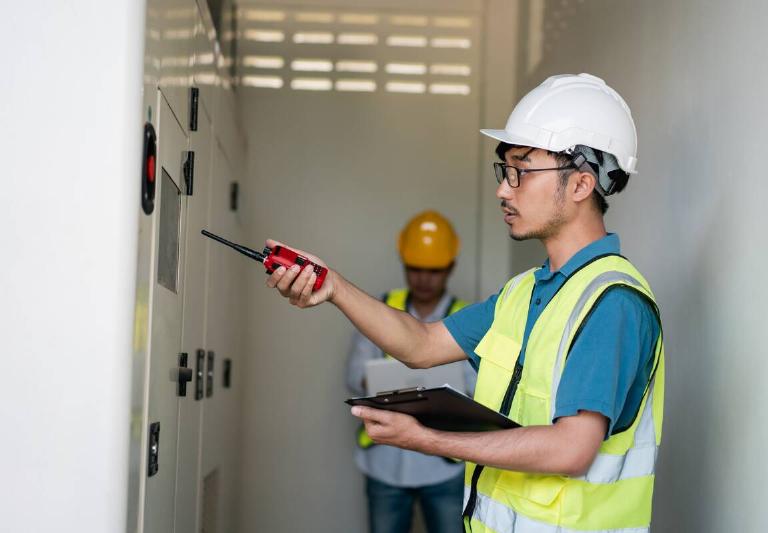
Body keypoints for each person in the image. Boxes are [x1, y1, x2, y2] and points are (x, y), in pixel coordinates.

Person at [264, 73, 664, 533]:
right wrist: (333, 287)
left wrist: (430, 440)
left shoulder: (611, 303)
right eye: (504, 171)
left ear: (580, 184)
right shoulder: (524, 293)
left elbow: (570, 450)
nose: (503, 189)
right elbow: (422, 344)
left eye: (521, 170)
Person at [346, 210, 475, 533]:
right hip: (384, 461)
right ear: (404, 264)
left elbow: (479, 387)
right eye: (415, 269)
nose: (423, 279)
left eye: (433, 271)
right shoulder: (381, 309)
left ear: (450, 268)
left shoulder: (466, 316)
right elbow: (354, 376)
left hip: (445, 464)